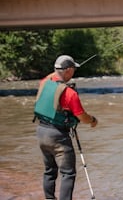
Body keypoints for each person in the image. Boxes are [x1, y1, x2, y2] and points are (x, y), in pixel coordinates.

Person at [34, 55, 98, 200]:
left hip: (41, 132)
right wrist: (93, 121)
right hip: (58, 136)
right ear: (68, 70)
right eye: (73, 69)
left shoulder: (44, 83)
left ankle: (49, 198)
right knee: (68, 173)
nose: (74, 72)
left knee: (49, 171)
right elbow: (82, 116)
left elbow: (53, 75)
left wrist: (59, 70)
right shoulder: (70, 93)